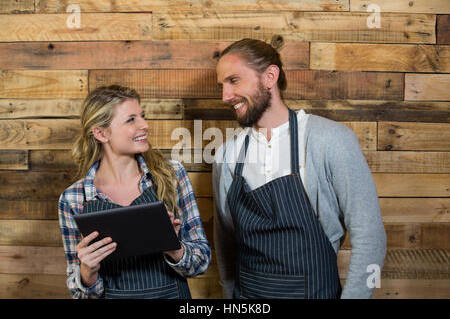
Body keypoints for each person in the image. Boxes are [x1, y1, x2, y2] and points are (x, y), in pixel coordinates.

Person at [213, 36, 386, 299]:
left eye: (233, 80)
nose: (225, 96)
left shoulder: (330, 140)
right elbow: (225, 239)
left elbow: (370, 234)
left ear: (270, 76)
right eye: (222, 85)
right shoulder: (227, 154)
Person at [58, 85, 211, 299]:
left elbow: (201, 263)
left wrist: (174, 248)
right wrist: (87, 271)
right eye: (131, 120)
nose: (145, 125)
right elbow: (80, 293)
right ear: (101, 133)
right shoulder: (73, 198)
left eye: (142, 116)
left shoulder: (172, 175)